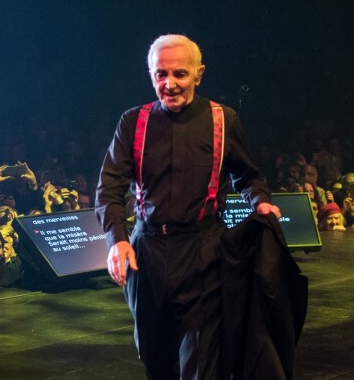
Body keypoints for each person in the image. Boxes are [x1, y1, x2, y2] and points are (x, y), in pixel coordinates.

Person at [95, 34, 280, 380]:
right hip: (146, 251)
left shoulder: (223, 120)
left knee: (201, 358)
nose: (169, 84)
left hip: (204, 251)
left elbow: (249, 177)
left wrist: (261, 203)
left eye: (180, 74)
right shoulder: (133, 122)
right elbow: (109, 188)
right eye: (160, 74)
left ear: (199, 74)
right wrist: (117, 240)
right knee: (153, 353)